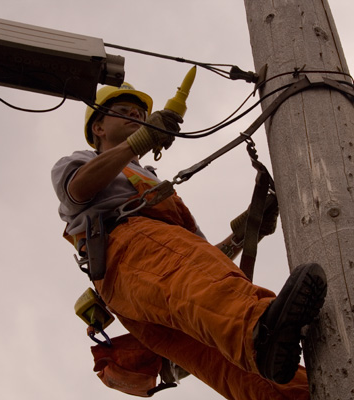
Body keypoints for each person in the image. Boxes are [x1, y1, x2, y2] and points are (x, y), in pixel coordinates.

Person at [51, 82, 327, 400]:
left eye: (141, 114)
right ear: (98, 126)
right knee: (237, 325)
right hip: (127, 250)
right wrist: (139, 141)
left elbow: (205, 261)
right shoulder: (78, 161)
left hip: (142, 287)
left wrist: (247, 231)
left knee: (223, 361)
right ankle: (258, 331)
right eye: (124, 112)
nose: (136, 116)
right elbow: (78, 190)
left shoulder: (153, 181)